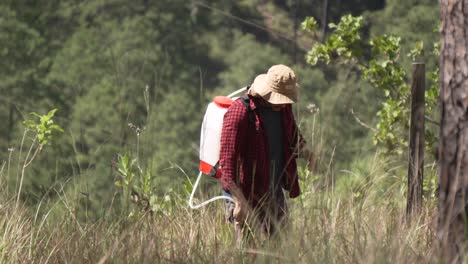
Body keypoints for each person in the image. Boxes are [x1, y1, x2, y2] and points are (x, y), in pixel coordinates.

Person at [219, 64, 314, 244]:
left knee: (282, 247)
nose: (284, 103)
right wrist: (239, 202)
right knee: (247, 251)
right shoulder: (240, 112)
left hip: (273, 189)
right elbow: (227, 163)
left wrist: (308, 154)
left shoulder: (283, 108)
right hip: (243, 193)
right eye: (280, 98)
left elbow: (292, 136)